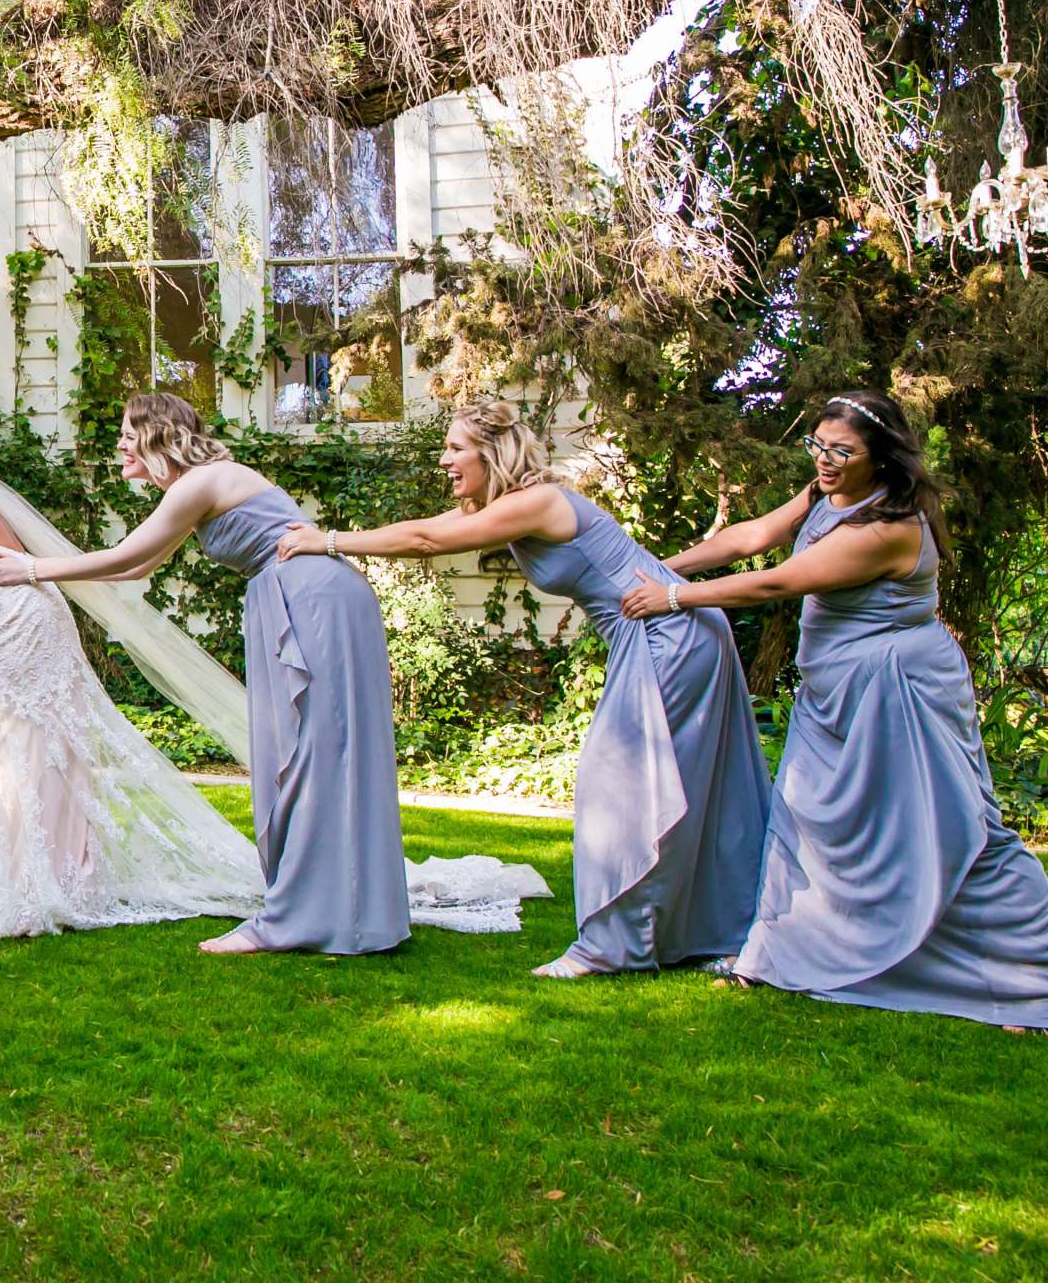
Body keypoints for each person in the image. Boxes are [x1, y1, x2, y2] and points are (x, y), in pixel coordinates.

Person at [622, 390, 1048, 1032]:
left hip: (899, 694)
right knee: (803, 819)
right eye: (818, 446)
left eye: (841, 452)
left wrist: (676, 597)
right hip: (833, 695)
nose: (824, 461)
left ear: (879, 458)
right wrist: (651, 571)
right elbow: (753, 538)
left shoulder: (892, 527)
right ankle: (774, 957)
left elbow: (778, 581)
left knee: (955, 827)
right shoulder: (829, 494)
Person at [278, 396, 770, 977]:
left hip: (670, 635)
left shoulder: (537, 503)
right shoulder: (517, 505)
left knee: (625, 787)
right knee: (671, 788)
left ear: (491, 453)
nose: (444, 461)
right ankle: (712, 934)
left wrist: (326, 540)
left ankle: (611, 948)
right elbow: (429, 530)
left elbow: (425, 543)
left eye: (455, 448)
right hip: (668, 633)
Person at [0, 393, 413, 956]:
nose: (118, 443)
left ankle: (301, 916)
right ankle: (329, 905)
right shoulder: (198, 486)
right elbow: (140, 565)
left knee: (313, 753)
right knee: (311, 751)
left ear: (157, 435)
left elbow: (123, 556)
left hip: (312, 599)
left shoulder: (201, 482)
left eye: (126, 431)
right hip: (303, 595)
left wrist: (31, 568)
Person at [0, 388, 264, 939]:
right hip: (33, 610)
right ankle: (63, 880)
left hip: (19, 620)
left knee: (18, 747)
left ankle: (35, 891)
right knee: (44, 749)